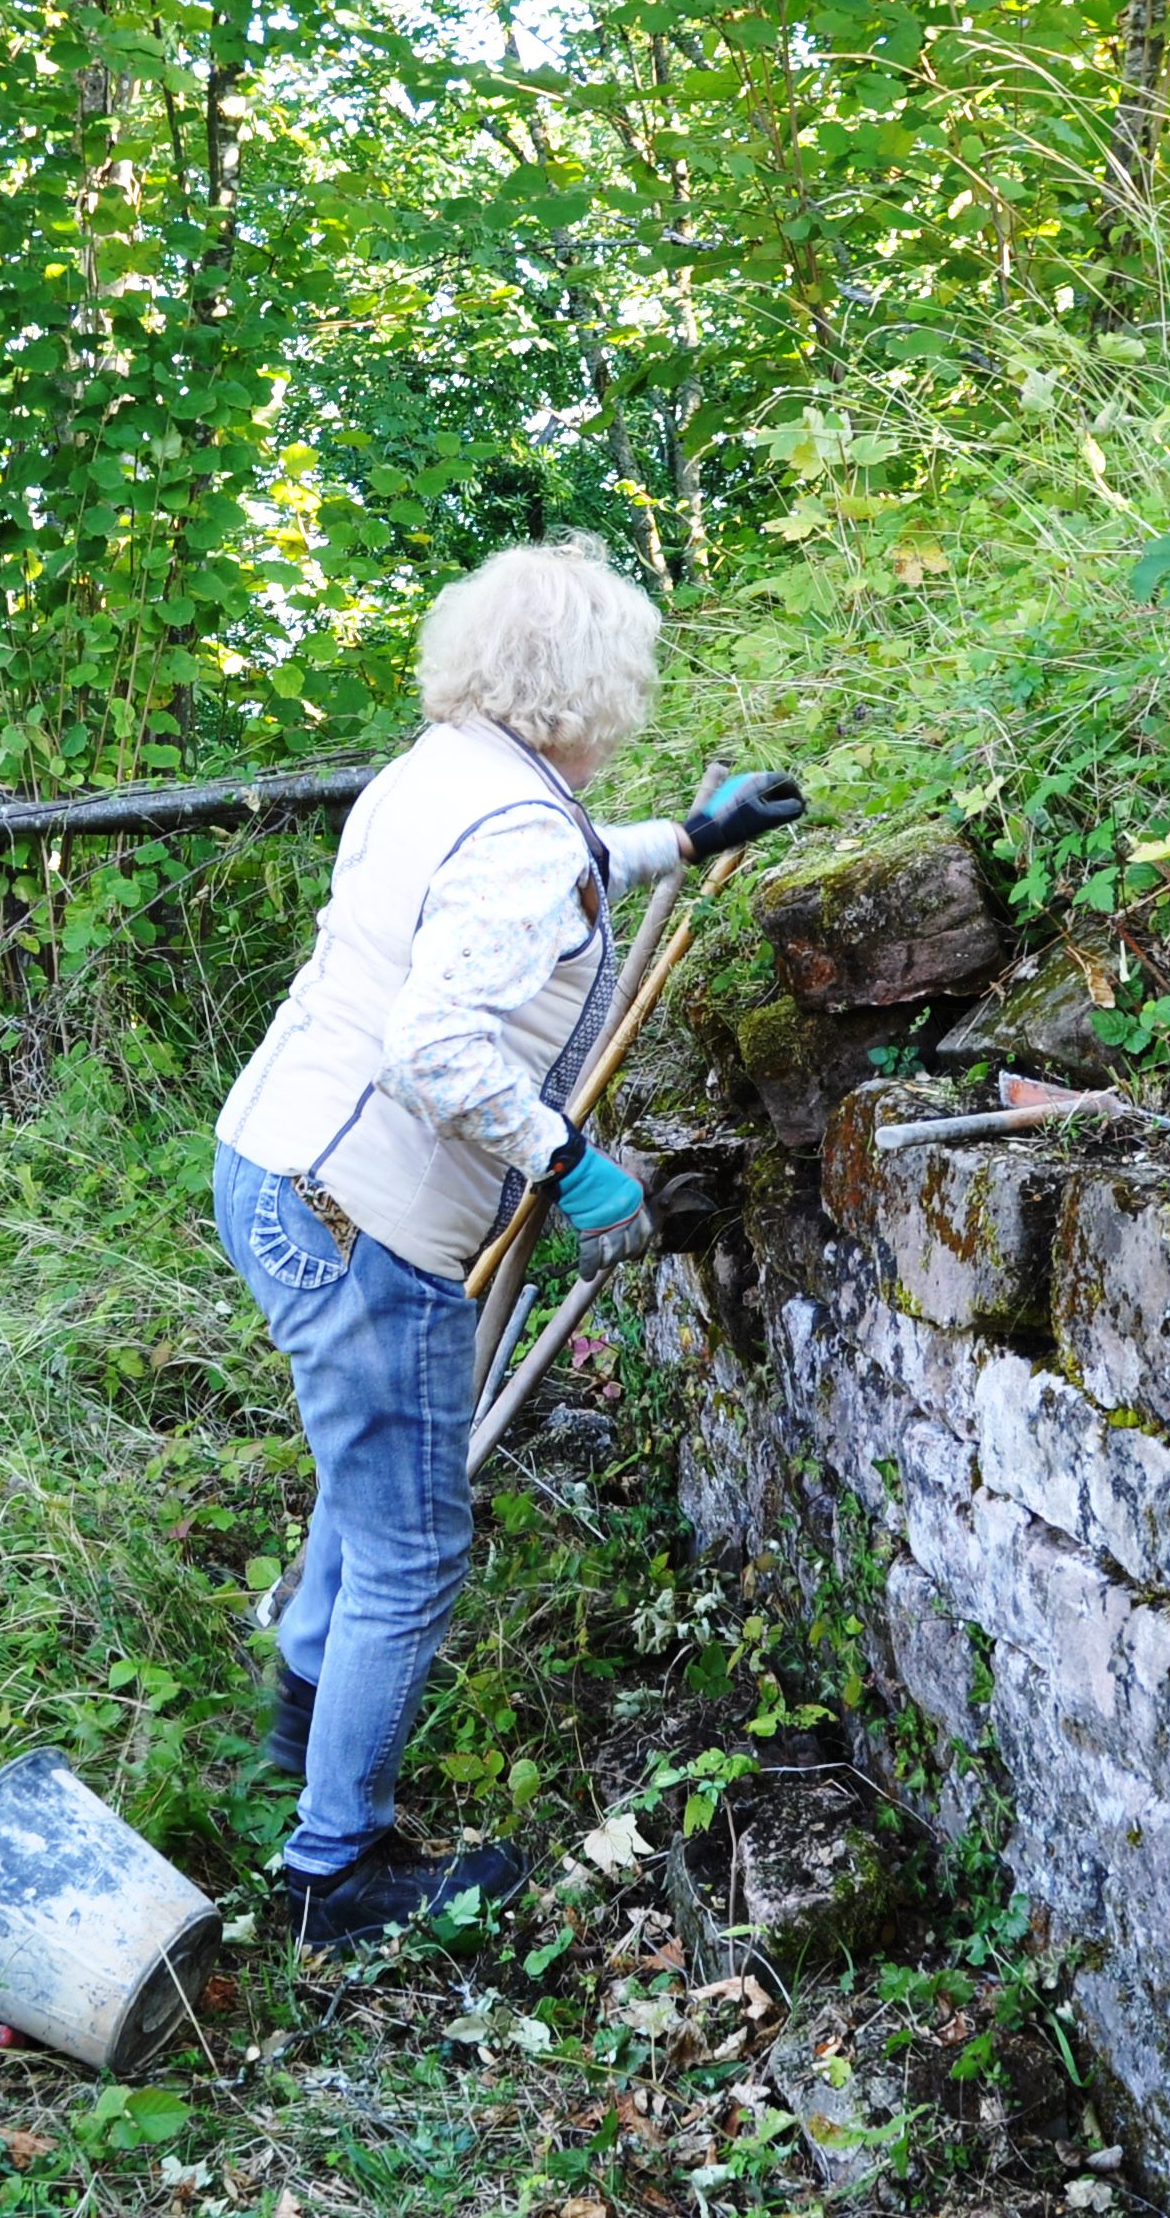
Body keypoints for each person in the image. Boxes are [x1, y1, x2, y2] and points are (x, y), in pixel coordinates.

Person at [212, 541, 804, 1945]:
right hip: (366, 1220)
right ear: (590, 685)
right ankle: (334, 1871)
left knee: (367, 1478)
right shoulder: (519, 829)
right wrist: (570, 1163)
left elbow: (550, 878)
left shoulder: (443, 771)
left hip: (276, 1164)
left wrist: (685, 841)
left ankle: (298, 1718)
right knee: (413, 1545)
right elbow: (437, 1044)